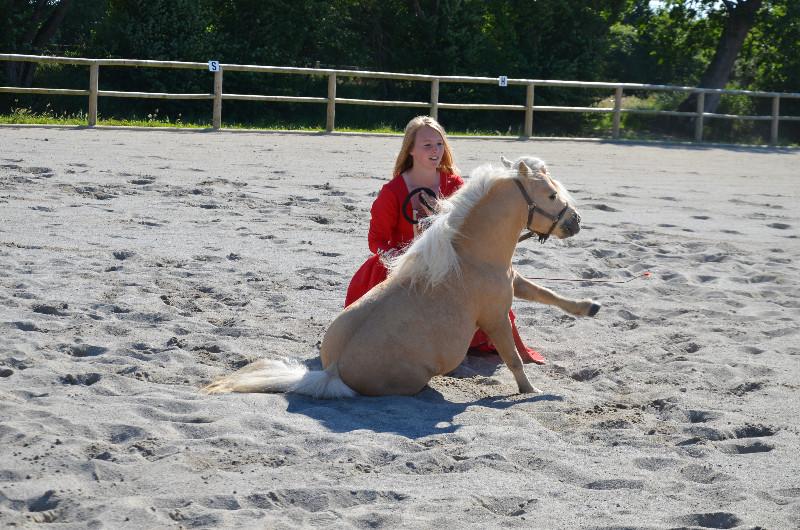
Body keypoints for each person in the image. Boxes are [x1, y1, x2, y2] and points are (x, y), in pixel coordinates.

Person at [344, 115, 545, 364]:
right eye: (427, 145)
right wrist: (401, 264)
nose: (435, 151)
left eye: (439, 144)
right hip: (402, 266)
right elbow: (377, 240)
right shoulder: (392, 191)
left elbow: (473, 230)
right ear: (411, 150)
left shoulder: (455, 184)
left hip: (448, 263)